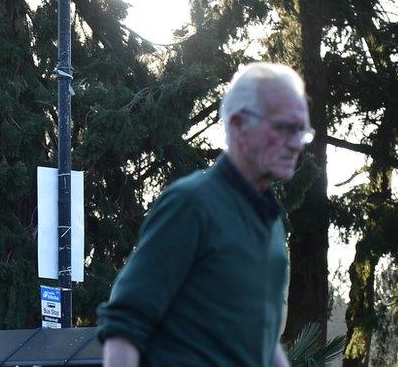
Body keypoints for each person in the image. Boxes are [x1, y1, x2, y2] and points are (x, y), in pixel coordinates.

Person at [98, 62, 312, 367]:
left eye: (302, 131)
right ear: (239, 125)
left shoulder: (273, 222)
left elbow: (262, 343)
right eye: (285, 128)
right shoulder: (191, 203)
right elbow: (126, 323)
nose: (296, 144)